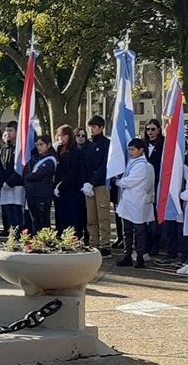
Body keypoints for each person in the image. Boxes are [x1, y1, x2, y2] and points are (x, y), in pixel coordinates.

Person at [115, 138, 154, 268]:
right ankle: (127, 255)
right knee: (127, 230)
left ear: (141, 150)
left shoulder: (142, 165)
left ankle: (140, 256)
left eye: (133, 149)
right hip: (128, 201)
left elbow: (131, 181)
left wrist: (119, 182)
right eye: (129, 149)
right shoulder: (132, 162)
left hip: (137, 202)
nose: (130, 152)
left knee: (139, 230)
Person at [83, 115, 112, 257]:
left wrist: (92, 181)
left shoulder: (107, 144)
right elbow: (84, 165)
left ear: (101, 128)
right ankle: (94, 243)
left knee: (103, 216)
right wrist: (86, 183)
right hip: (88, 185)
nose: (91, 129)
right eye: (90, 126)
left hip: (100, 185)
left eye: (94, 127)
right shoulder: (88, 144)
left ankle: (105, 245)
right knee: (91, 218)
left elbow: (104, 166)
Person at [54, 125, 86, 235]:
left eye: (63, 136)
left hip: (71, 188)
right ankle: (60, 234)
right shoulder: (58, 149)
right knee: (60, 214)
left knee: (71, 214)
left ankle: (73, 236)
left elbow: (73, 172)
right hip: (59, 188)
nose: (61, 138)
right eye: (59, 136)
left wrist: (61, 185)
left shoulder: (75, 151)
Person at [24, 135, 58, 233]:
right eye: (37, 145)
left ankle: (45, 241)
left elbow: (38, 174)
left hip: (42, 193)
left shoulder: (50, 159)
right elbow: (28, 171)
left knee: (43, 220)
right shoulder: (35, 158)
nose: (39, 147)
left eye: (41, 144)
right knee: (35, 220)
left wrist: (28, 177)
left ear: (49, 145)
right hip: (32, 192)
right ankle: (36, 240)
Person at [0, 122, 25, 234]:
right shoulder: (5, 148)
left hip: (17, 185)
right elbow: (1, 165)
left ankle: (19, 232)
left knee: (17, 210)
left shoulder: (20, 148)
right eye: (7, 130)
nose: (8, 133)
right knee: (7, 210)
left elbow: (20, 167)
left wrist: (11, 181)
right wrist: (3, 180)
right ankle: (11, 231)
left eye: (11, 131)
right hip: (5, 185)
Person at [144, 119, 164, 254]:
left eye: (153, 129)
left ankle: (157, 243)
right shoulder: (143, 145)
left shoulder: (163, 145)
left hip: (158, 182)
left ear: (158, 130)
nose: (150, 132)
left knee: (156, 215)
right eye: (148, 129)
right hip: (145, 183)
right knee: (145, 214)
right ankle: (146, 243)